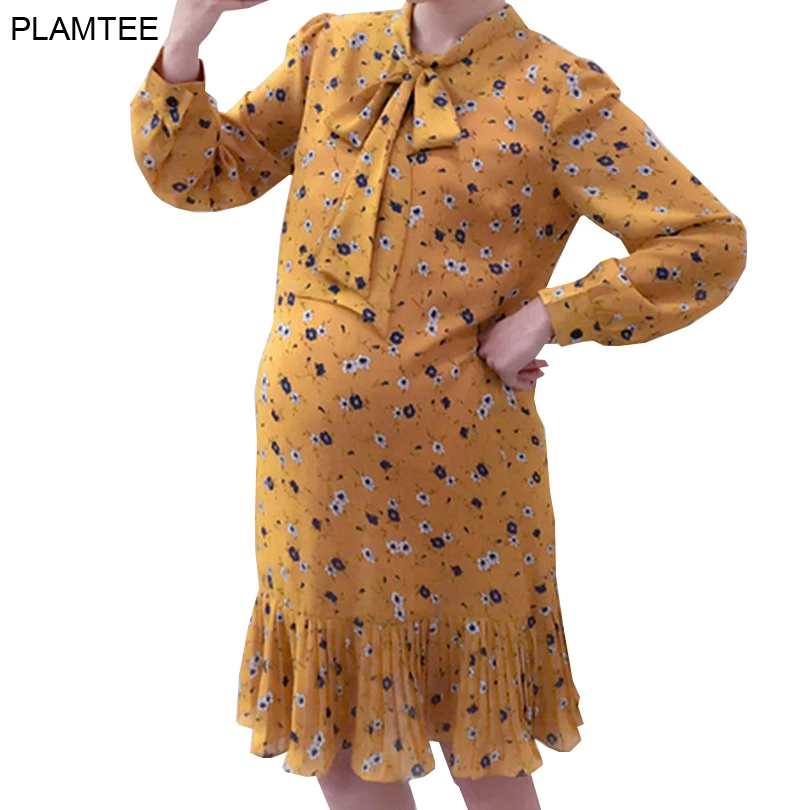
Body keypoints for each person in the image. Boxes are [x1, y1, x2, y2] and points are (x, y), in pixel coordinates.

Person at [129, 1, 747, 807]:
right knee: (341, 742)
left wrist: (552, 315)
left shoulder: (557, 90)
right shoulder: (333, 52)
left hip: (461, 479)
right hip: (309, 476)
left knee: (481, 743)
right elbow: (200, 175)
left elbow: (706, 241)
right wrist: (189, 31)